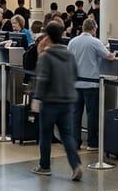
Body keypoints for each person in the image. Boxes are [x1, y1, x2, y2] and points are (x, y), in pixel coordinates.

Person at [32, 22, 82, 180]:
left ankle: (45, 165)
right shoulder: (69, 54)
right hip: (67, 100)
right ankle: (76, 165)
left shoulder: (46, 56)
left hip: (49, 101)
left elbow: (42, 79)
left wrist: (37, 99)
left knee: (45, 134)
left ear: (48, 36)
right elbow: (75, 75)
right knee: (67, 134)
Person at [68, 18, 115, 151]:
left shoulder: (72, 42)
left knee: (76, 114)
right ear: (94, 29)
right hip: (91, 84)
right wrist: (114, 53)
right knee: (92, 114)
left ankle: (75, 141)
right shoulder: (95, 42)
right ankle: (92, 142)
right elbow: (109, 57)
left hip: (75, 83)